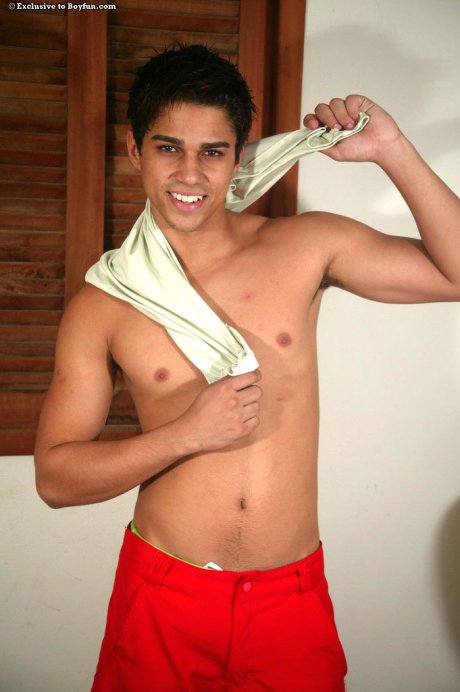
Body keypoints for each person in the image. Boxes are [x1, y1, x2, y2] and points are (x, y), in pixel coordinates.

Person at [34, 44, 460, 692]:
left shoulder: (304, 245)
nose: (190, 173)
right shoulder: (105, 303)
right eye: (169, 148)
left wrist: (392, 149)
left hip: (289, 597)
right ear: (134, 151)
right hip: (164, 594)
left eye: (213, 151)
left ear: (238, 158)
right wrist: (186, 435)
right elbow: (56, 479)